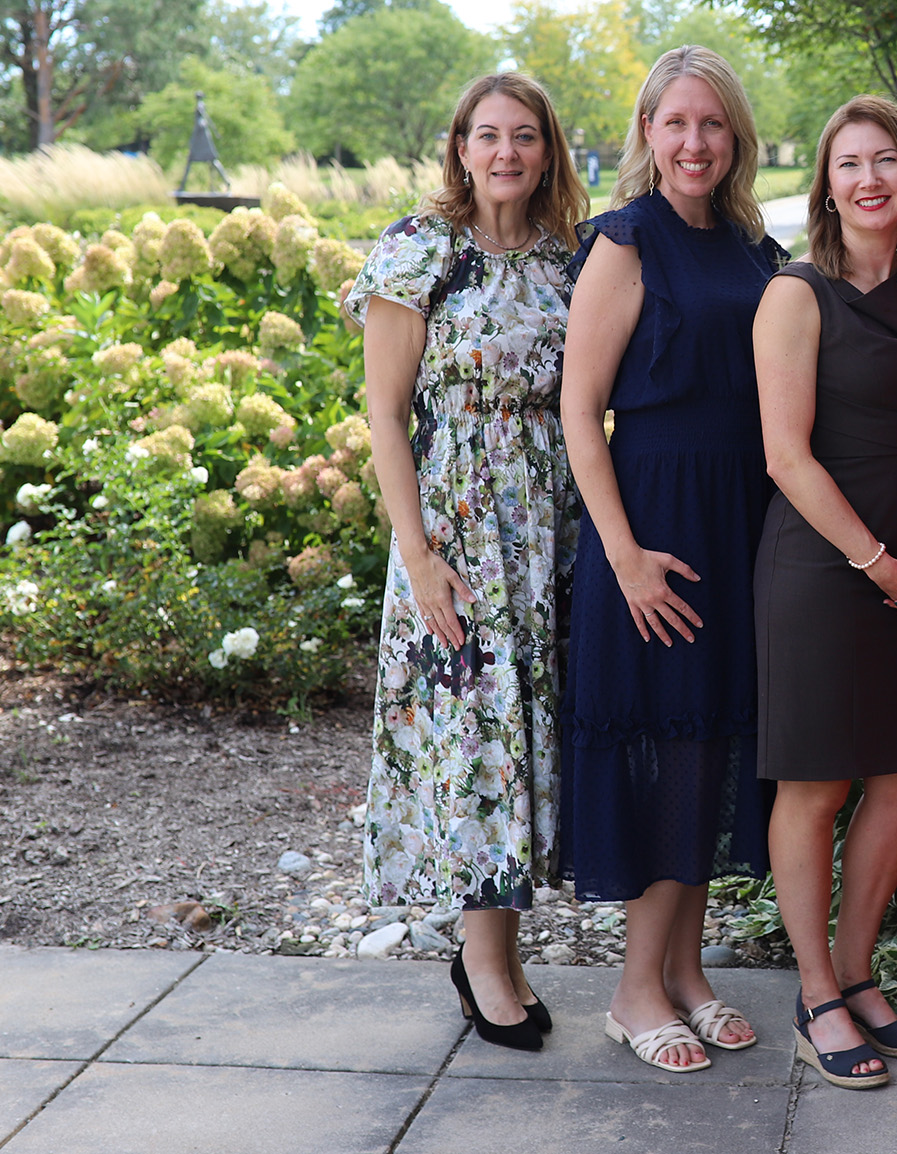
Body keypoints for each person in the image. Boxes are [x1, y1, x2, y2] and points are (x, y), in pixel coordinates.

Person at [556, 45, 788, 1075]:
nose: (693, 142)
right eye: (674, 122)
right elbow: (577, 408)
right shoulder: (625, 239)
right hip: (651, 525)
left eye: (711, 125)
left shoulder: (750, 244)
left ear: (733, 138)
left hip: (738, 520)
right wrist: (623, 555)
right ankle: (633, 988)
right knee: (665, 751)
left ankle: (686, 972)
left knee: (707, 749)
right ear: (646, 133)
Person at [352, 71, 588, 1052]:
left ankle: (504, 949)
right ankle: (482, 960)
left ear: (547, 152)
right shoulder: (420, 250)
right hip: (457, 532)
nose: (504, 153)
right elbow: (383, 412)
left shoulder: (569, 259)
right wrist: (418, 553)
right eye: (485, 135)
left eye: (523, 136)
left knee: (529, 733)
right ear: (458, 147)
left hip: (551, 525)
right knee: (481, 738)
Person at [750, 94, 897, 1091]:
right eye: (847, 164)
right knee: (819, 782)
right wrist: (878, 561)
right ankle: (815, 992)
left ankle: (860, 968)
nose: (869, 179)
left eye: (885, 161)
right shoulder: (796, 293)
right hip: (824, 569)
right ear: (825, 185)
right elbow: (784, 455)